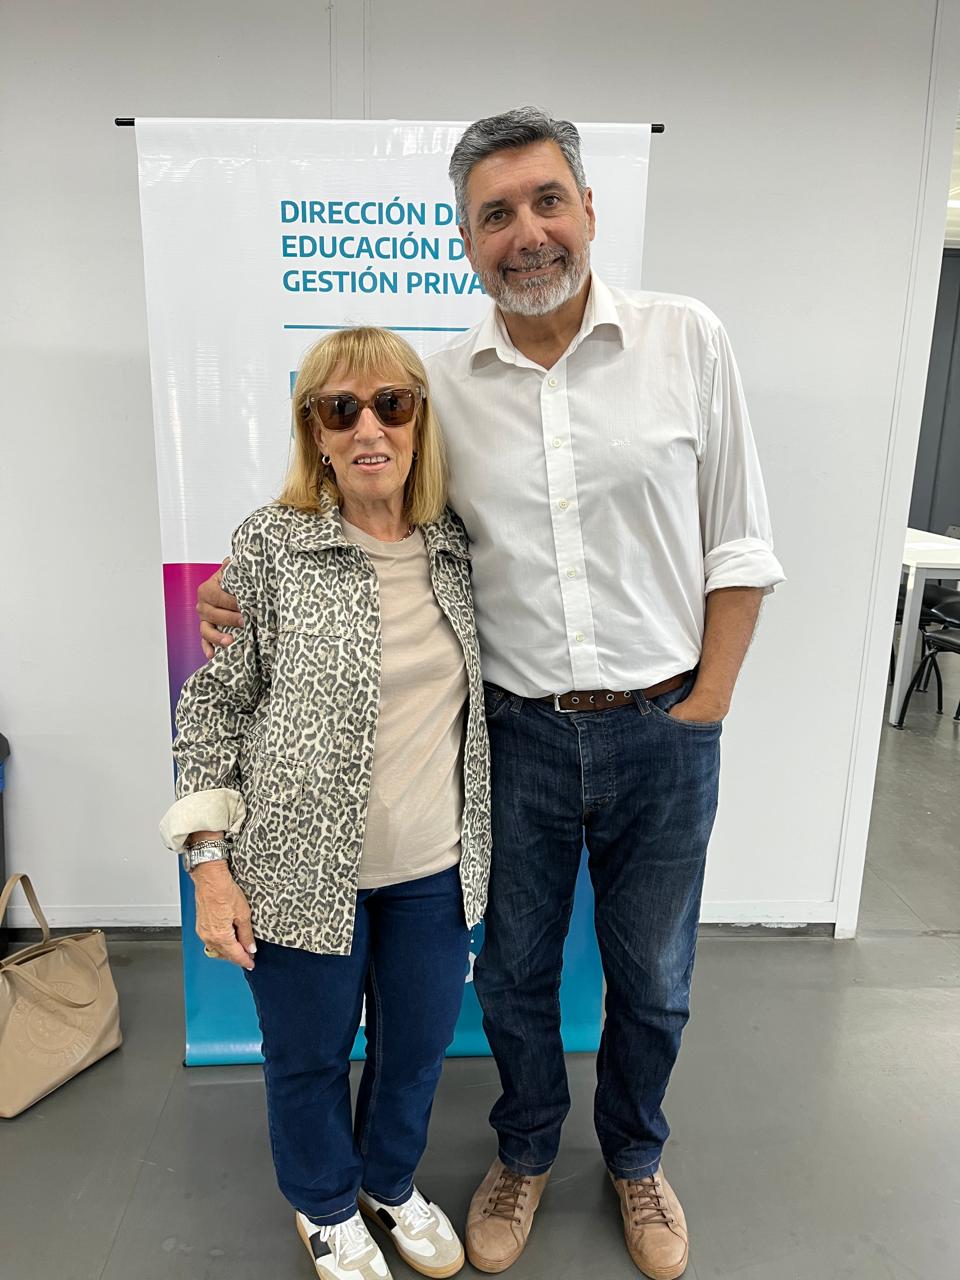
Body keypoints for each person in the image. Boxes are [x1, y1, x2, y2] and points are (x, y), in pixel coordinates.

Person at [196, 109, 785, 1280]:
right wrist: (241, 584)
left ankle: (635, 1158)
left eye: (547, 200)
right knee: (514, 973)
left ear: (589, 209)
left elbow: (740, 541)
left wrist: (707, 701)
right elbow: (356, 501)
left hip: (667, 727)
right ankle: (522, 1150)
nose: (527, 232)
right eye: (496, 214)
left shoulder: (686, 339)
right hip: (516, 735)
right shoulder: (444, 387)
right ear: (466, 241)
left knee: (654, 978)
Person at [160, 326, 491, 1280]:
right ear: (315, 431)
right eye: (339, 409)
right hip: (299, 871)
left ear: (420, 421)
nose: (367, 428)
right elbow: (213, 709)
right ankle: (325, 1206)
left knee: (416, 1048)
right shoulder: (272, 545)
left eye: (391, 404)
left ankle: (388, 1182)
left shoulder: (458, 546)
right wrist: (210, 868)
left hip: (433, 869)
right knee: (306, 1055)